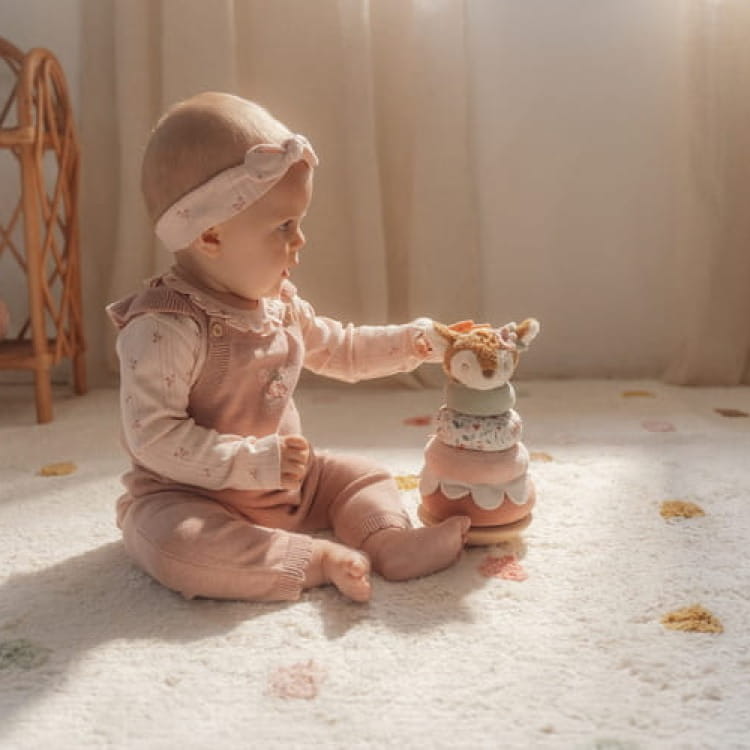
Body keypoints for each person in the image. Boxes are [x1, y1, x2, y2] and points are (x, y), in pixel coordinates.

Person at [107, 92, 470, 604]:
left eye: (298, 223)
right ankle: (314, 560)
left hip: (289, 481)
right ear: (211, 235)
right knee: (174, 546)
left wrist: (417, 341)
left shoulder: (278, 304)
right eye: (284, 227)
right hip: (187, 493)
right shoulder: (163, 327)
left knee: (360, 476)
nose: (299, 241)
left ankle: (388, 540)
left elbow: (342, 349)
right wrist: (253, 462)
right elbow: (154, 438)